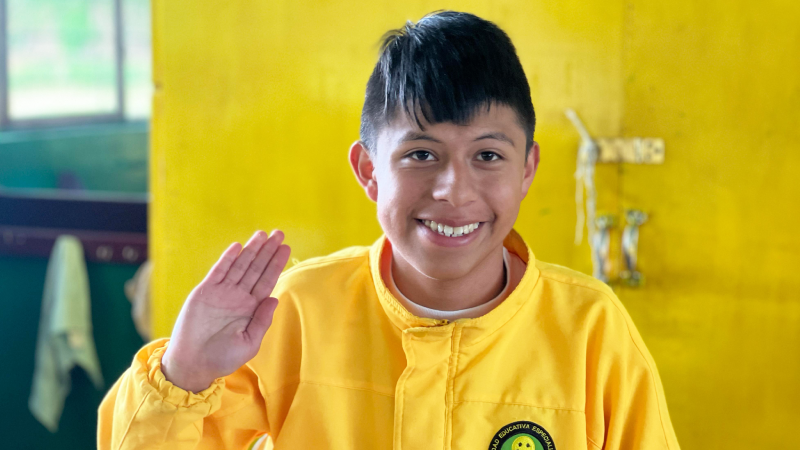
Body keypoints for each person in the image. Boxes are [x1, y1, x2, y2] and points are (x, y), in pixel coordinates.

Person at [98, 11, 680, 450]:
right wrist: (183, 371)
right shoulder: (294, 313)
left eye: (488, 156)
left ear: (527, 169)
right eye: (421, 154)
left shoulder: (590, 330)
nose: (454, 190)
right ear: (369, 170)